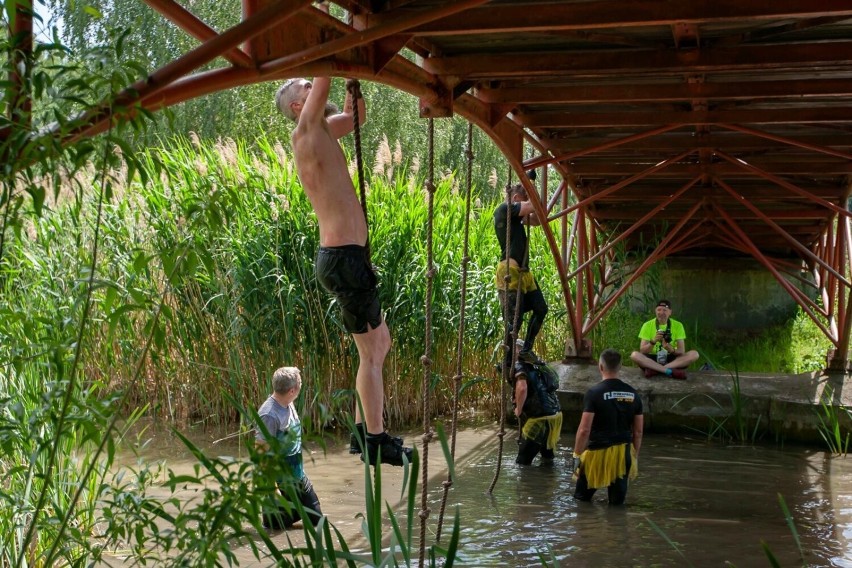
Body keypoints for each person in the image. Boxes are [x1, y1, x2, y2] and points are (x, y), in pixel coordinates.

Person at [275, 76, 412, 467]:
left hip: (345, 258)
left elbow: (355, 118)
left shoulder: (322, 131)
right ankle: (375, 439)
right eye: (303, 87)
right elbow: (324, 72)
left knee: (378, 344)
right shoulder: (305, 132)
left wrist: (356, 88)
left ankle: (359, 433)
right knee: (372, 352)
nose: (310, 87)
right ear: (299, 107)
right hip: (343, 259)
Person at [255, 366, 323, 530]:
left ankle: (295, 507)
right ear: (292, 391)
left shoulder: (287, 402)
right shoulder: (268, 415)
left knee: (318, 522)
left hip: (298, 478)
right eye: (300, 384)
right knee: (273, 529)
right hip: (279, 484)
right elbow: (261, 455)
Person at [572, 349, 643, 505]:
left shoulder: (594, 393)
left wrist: (577, 456)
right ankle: (616, 528)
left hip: (597, 454)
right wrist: (634, 456)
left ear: (600, 367)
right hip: (623, 454)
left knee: (580, 501)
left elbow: (584, 430)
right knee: (617, 505)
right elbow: (637, 432)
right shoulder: (633, 394)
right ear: (620, 367)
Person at [493, 183, 549, 366]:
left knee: (541, 308)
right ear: (516, 198)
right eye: (522, 199)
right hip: (509, 271)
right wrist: (530, 185)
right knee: (513, 321)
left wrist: (531, 190)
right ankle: (508, 361)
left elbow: (538, 219)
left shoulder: (516, 218)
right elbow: (532, 206)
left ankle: (525, 350)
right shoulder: (504, 209)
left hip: (524, 273)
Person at [509, 341, 563, 465]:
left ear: (516, 351)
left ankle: (526, 484)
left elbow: (522, 388)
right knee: (547, 458)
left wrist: (518, 409)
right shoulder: (539, 364)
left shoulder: (519, 366)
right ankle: (548, 482)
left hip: (539, 419)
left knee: (522, 463)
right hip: (556, 416)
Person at [629, 299, 699, 379]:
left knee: (694, 354)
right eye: (659, 310)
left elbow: (681, 351)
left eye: (665, 310)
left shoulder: (678, 325)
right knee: (634, 355)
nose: (661, 313)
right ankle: (668, 371)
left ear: (670, 312)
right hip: (652, 358)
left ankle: (657, 369)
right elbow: (643, 350)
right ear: (655, 311)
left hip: (671, 358)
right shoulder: (647, 325)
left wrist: (671, 349)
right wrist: (653, 341)